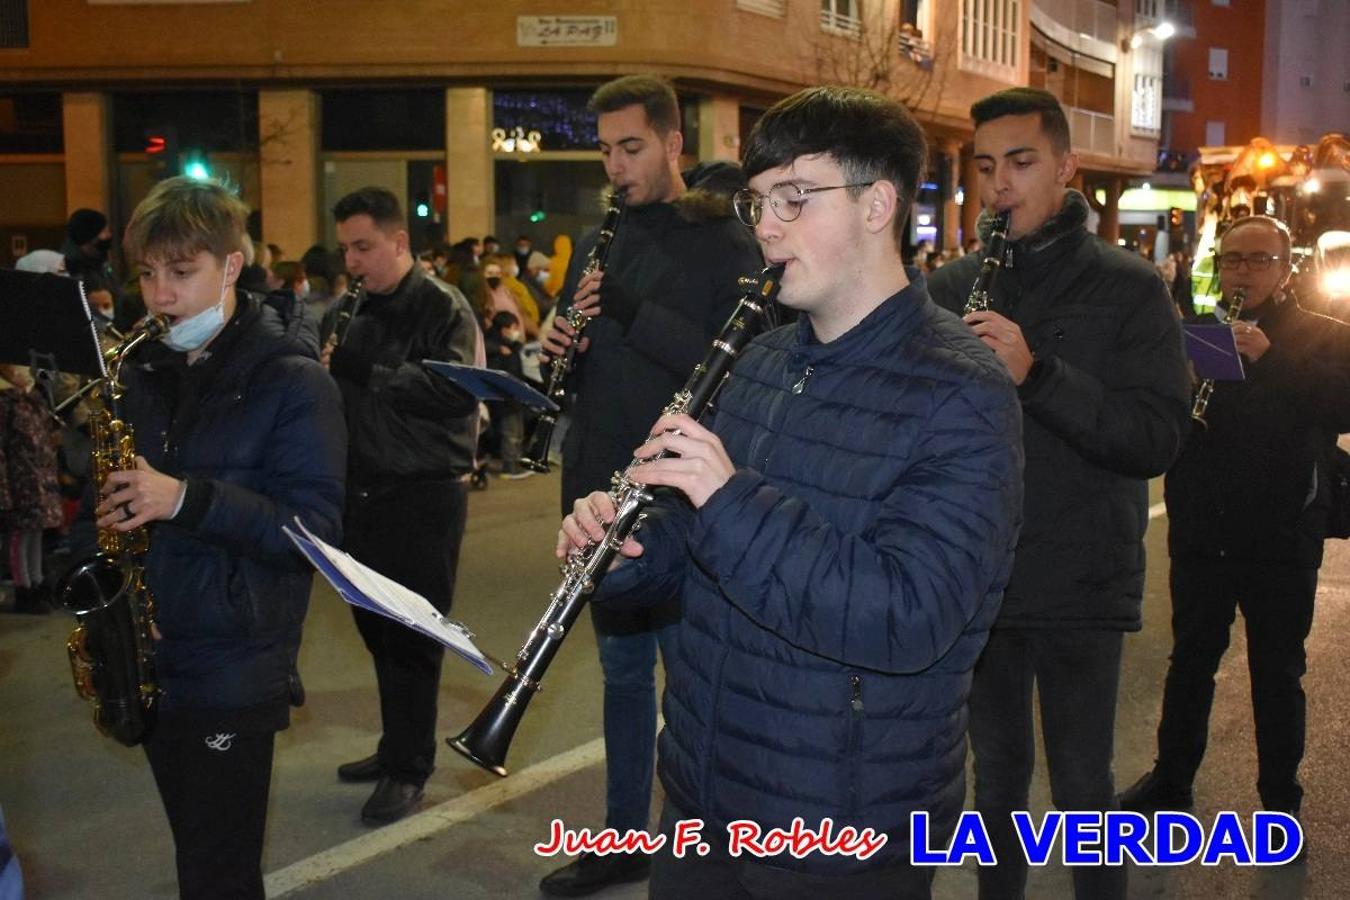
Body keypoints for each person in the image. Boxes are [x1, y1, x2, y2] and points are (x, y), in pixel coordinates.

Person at [558, 85, 1023, 900]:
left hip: (841, 825)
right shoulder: (762, 360)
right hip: (704, 795)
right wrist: (627, 553)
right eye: (758, 202)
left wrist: (727, 498)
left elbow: (911, 617)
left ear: (877, 203)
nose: (766, 228)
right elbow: (698, 547)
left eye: (795, 199)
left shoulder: (963, 391)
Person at [926, 87, 1191, 900]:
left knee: (1083, 786)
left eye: (1021, 162)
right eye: (985, 167)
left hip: (1081, 580)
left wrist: (1037, 374)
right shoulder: (951, 287)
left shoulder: (1129, 286)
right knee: (996, 779)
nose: (999, 184)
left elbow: (1155, 437)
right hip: (981, 578)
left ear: (1066, 166)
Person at [535, 73, 763, 897]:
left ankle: (700, 845)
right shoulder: (603, 235)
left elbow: (729, 363)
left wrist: (628, 310)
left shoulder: (724, 241)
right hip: (603, 482)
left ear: (673, 144)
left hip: (677, 496)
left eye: (631, 148)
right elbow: (598, 349)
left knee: (691, 688)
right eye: (605, 151)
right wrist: (566, 341)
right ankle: (624, 838)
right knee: (624, 678)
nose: (616, 167)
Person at [93, 175, 346, 899]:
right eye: (147, 275)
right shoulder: (141, 372)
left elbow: (315, 532)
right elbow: (114, 501)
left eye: (181, 272)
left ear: (232, 266)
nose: (160, 295)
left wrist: (186, 499)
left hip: (236, 661)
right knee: (197, 857)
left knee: (219, 870)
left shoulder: (294, 382)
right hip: (154, 653)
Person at [1119, 216, 1350, 831]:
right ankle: (1171, 782)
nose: (1243, 272)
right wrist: (1179, 382)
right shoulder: (1199, 331)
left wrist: (1271, 360)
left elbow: (1341, 405)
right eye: (1232, 260)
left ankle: (1280, 800)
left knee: (1278, 671)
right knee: (1191, 660)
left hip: (1283, 531)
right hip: (1204, 528)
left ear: (1286, 267)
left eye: (1258, 260)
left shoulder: (1324, 333)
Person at [323, 186, 482, 826]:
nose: (352, 262)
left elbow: (457, 391)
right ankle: (395, 746)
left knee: (413, 635)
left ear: (399, 242)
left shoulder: (442, 306)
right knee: (376, 630)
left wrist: (370, 368)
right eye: (345, 250)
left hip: (423, 492)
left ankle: (410, 768)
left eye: (363, 247)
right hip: (360, 491)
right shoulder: (350, 308)